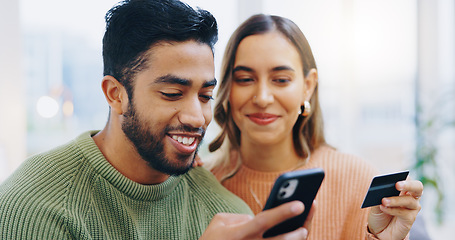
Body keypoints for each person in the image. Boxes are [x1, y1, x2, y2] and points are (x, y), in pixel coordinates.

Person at [0, 2, 311, 239]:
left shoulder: (227, 213)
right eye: (172, 93)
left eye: (204, 96)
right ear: (115, 94)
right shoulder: (36, 203)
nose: (196, 117)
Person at [206, 14, 424, 240]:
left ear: (307, 86)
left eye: (281, 80)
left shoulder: (357, 179)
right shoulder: (201, 183)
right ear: (227, 88)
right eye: (245, 79)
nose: (262, 98)